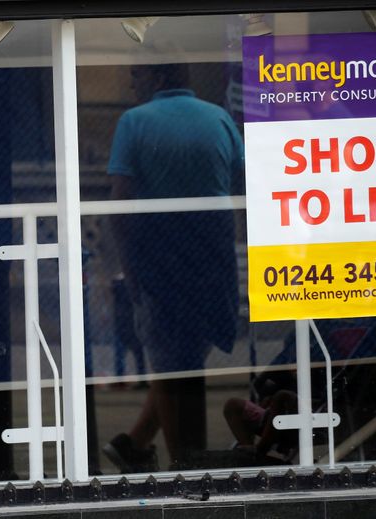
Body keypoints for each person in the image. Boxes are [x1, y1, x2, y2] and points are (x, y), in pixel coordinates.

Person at [103, 64, 243, 472]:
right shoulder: (219, 117)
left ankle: (182, 461)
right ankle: (135, 443)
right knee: (186, 354)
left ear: (158, 78)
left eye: (137, 75)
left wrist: (128, 264)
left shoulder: (134, 122)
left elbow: (120, 204)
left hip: (158, 249)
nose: (131, 82)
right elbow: (239, 173)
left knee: (166, 356)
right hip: (212, 247)